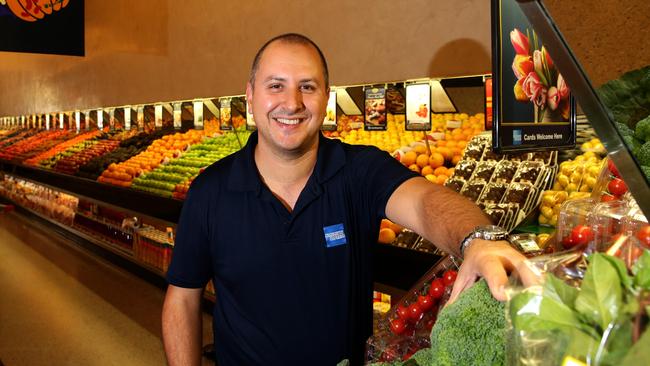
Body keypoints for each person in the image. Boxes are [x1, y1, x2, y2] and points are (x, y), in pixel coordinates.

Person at [162, 33, 530, 366]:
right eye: (276, 85)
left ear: (326, 97)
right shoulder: (210, 191)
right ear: (250, 95)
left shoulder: (359, 172)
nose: (291, 103)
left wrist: (477, 239)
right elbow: (182, 299)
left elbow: (425, 201)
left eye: (307, 86)